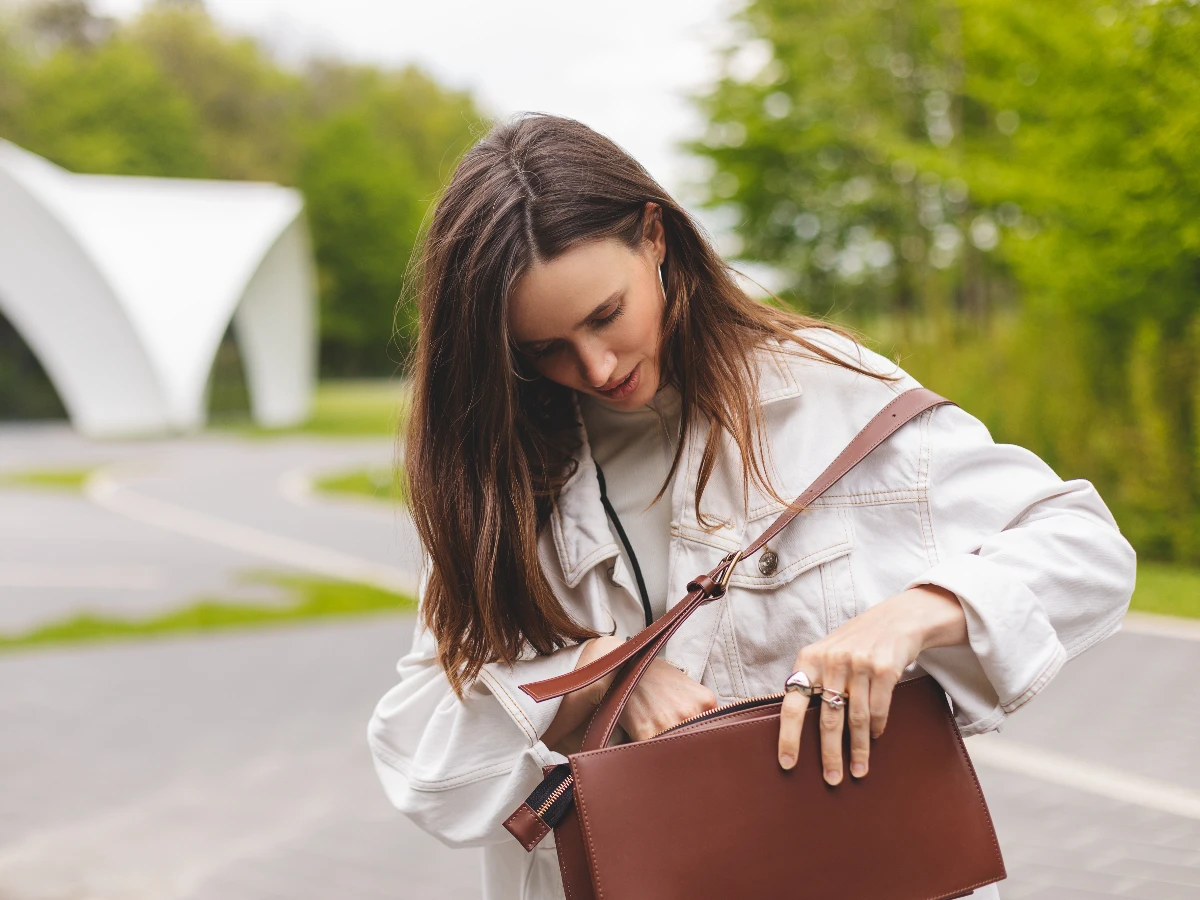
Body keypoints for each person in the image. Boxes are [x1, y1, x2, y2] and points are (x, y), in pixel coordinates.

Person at [367, 112, 1137, 900]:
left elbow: (1087, 550)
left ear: (654, 237)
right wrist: (599, 679)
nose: (594, 367)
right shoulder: (500, 485)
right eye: (543, 348)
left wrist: (917, 612)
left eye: (606, 316)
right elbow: (421, 765)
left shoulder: (826, 394)